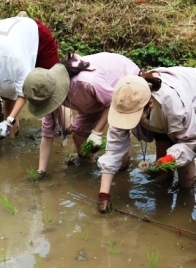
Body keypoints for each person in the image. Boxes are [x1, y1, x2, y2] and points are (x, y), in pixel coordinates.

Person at [97, 67, 196, 213]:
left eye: (133, 116)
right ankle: (164, 185)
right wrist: (104, 194)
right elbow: (113, 150)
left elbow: (190, 141)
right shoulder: (124, 100)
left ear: (150, 104)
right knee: (163, 142)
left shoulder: (173, 104)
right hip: (166, 103)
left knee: (182, 151)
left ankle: (185, 198)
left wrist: (171, 157)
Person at [23, 52, 140, 180]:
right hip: (93, 100)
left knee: (120, 152)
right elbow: (47, 134)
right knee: (78, 133)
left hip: (123, 87)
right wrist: (41, 171)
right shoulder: (47, 93)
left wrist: (97, 132)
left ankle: (122, 177)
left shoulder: (87, 82)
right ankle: (87, 171)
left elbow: (113, 102)